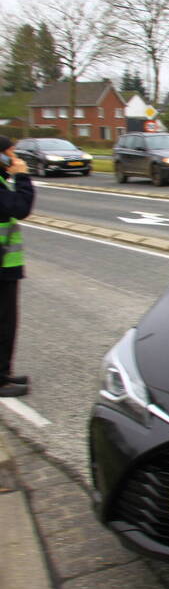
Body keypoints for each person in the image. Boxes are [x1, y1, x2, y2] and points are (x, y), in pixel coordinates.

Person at [0, 136, 34, 397]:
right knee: (3, 323)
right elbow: (20, 208)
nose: (15, 158)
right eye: (11, 152)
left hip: (5, 264)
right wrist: (22, 177)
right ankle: (1, 380)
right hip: (1, 267)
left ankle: (4, 373)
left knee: (6, 322)